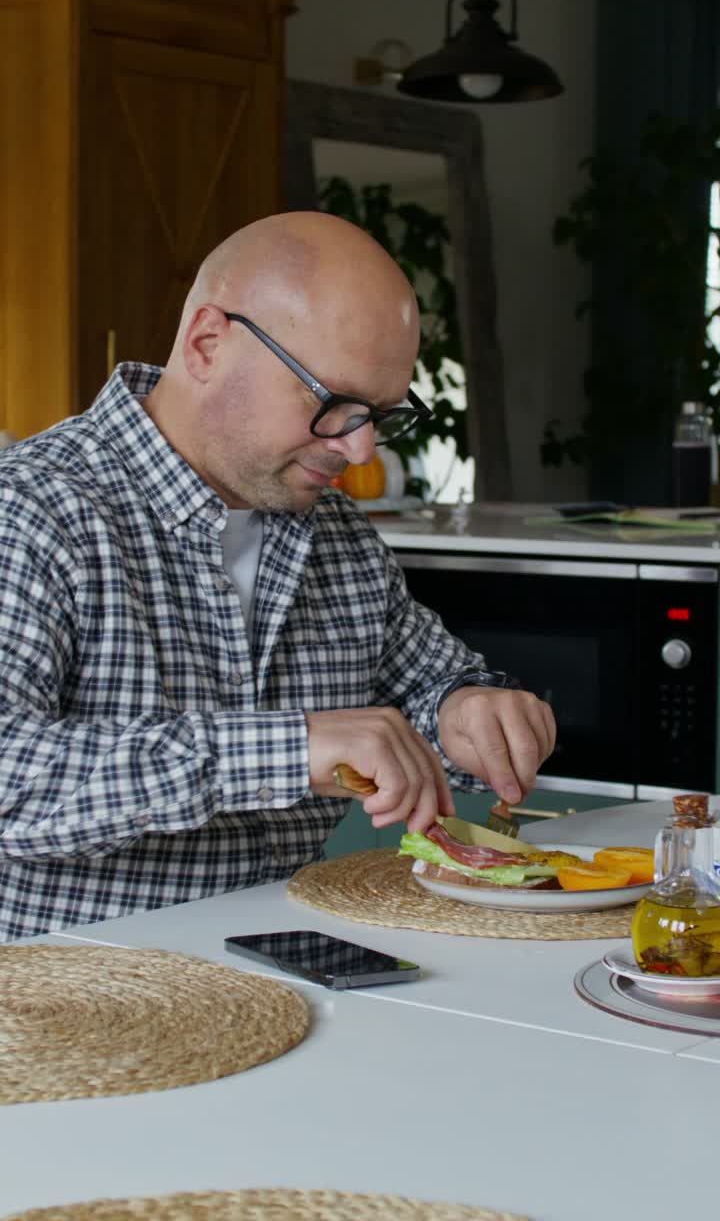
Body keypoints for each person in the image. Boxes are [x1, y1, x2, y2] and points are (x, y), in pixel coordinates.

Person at [0, 212, 555, 941]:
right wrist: (290, 748)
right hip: (64, 990)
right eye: (332, 403)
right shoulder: (28, 509)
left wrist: (467, 710)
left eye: (380, 415)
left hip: (295, 970)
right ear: (207, 344)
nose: (360, 450)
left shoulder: (337, 534)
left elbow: (425, 687)